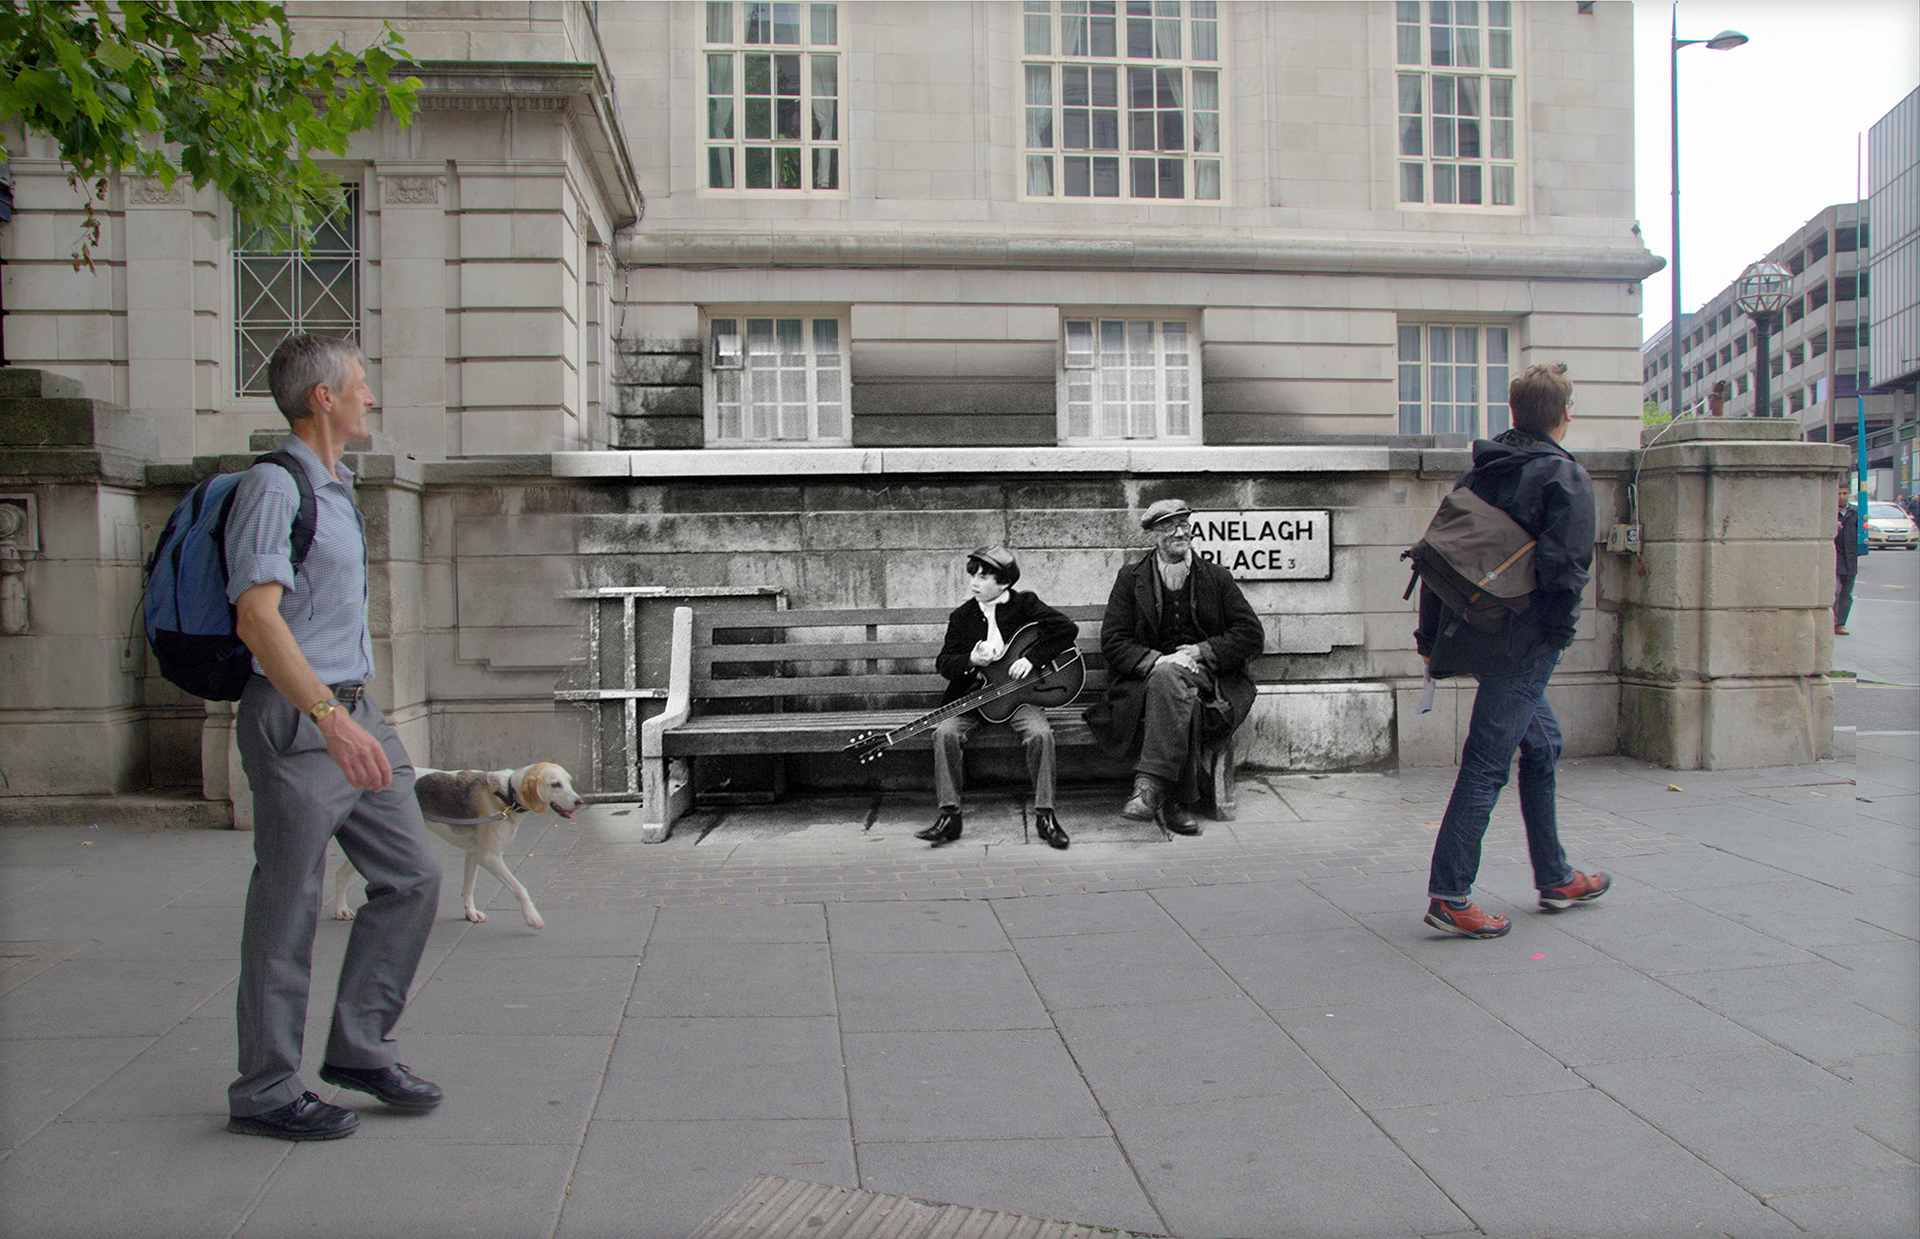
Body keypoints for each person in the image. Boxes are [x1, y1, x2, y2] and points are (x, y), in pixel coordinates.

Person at [223, 334, 443, 1140]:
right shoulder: (274, 487)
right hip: (304, 722)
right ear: (323, 397)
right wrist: (327, 716)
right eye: (360, 385)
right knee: (289, 905)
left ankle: (357, 1045)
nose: (369, 398)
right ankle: (266, 1088)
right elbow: (257, 617)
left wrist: (354, 713)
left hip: (357, 713)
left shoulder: (335, 486)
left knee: (415, 875)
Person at [1416, 363, 1609, 939]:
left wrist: (1430, 640)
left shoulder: (1481, 472)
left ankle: (1555, 876)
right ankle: (1450, 894)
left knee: (1543, 744)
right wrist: (1555, 638)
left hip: (1476, 629)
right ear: (1564, 414)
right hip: (1521, 643)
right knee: (1486, 764)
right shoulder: (1563, 477)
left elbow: (1436, 559)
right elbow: (1566, 574)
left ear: (1515, 412)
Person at [1098, 499, 1264, 835]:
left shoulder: (1216, 578)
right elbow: (1114, 640)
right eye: (1170, 527)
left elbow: (1250, 634)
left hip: (1209, 676)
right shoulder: (1131, 579)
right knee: (1173, 688)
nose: (1180, 532)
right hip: (1148, 679)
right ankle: (1175, 801)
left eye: (1185, 525)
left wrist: (1204, 651)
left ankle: (1147, 790)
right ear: (1154, 535)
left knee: (1174, 684)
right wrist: (1157, 660)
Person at [921, 545, 1078, 849]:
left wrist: (1032, 658)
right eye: (973, 575)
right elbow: (944, 664)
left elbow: (1065, 628)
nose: (974, 582)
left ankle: (1045, 814)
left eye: (983, 576)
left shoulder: (1025, 604)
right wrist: (971, 660)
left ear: (1004, 582)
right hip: (973, 698)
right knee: (944, 733)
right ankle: (949, 816)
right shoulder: (962, 616)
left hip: (1018, 697)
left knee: (1040, 734)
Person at [1834, 486, 1860, 636]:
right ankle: (1831, 621)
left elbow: (1861, 534)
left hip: (1851, 559)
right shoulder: (1830, 512)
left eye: (1844, 493)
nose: (1842, 497)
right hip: (1836, 558)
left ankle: (1840, 624)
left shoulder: (1856, 512)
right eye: (1839, 494)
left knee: (1846, 593)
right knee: (1835, 590)